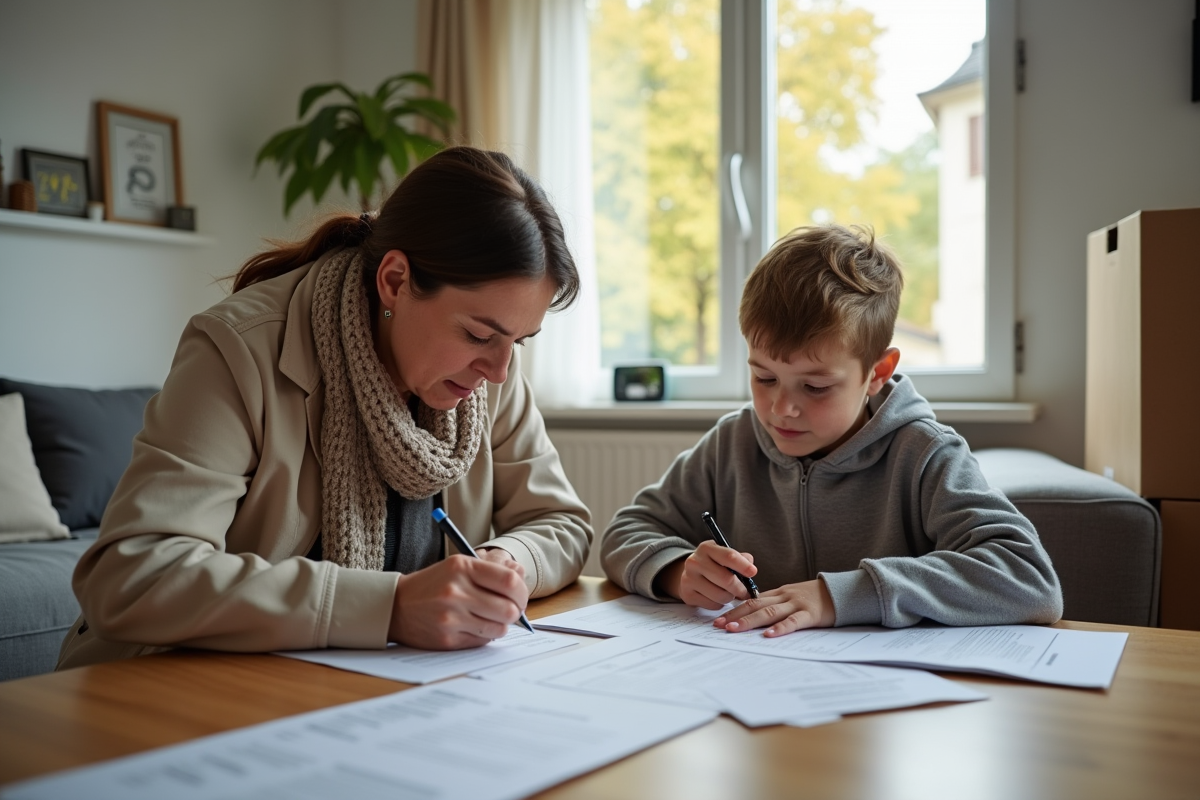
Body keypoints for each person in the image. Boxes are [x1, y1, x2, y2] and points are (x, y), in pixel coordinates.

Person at [58, 147, 593, 669]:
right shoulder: (239, 349)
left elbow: (559, 521)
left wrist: (506, 564)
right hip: (175, 686)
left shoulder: (487, 373)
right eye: (479, 334)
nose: (498, 370)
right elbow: (134, 575)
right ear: (395, 281)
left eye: (518, 342)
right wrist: (393, 607)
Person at [601, 224, 1062, 636]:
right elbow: (627, 529)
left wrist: (839, 595)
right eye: (763, 378)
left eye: (816, 387)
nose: (782, 408)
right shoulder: (732, 443)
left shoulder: (923, 454)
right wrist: (677, 570)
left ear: (878, 372)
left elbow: (1029, 579)